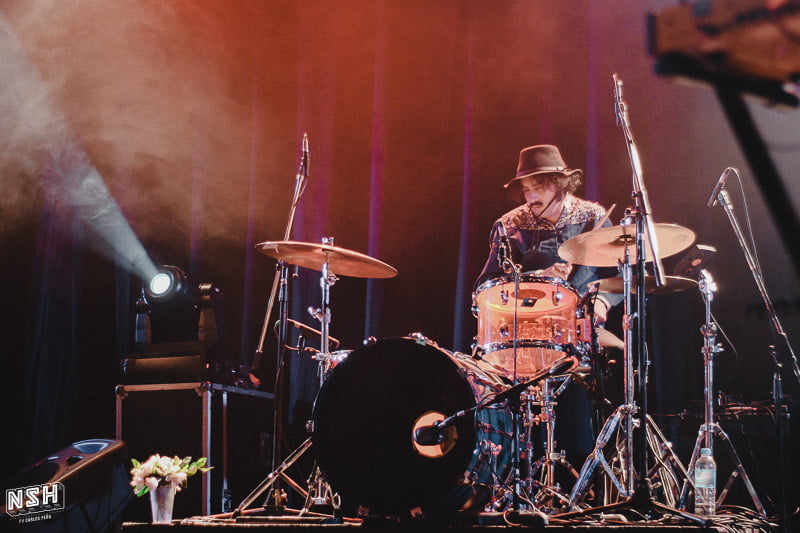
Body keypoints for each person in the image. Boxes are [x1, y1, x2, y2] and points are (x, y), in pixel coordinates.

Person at [473, 144, 622, 484]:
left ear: (559, 183)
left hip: (579, 328)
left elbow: (615, 277)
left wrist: (601, 303)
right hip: (524, 334)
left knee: (623, 358)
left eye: (537, 187)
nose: (530, 196)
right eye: (525, 189)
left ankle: (599, 474)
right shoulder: (510, 225)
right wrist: (537, 279)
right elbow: (485, 286)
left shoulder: (592, 217)